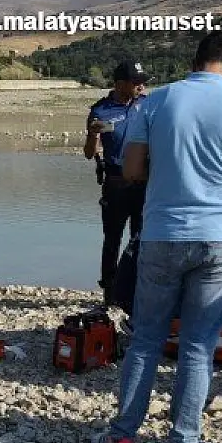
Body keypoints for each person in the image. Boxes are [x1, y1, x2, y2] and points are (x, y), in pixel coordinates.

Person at [91, 32, 222, 443]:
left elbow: (131, 170)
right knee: (196, 346)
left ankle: (121, 439)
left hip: (162, 233)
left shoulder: (156, 102)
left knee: (146, 338)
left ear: (196, 61)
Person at [84, 60, 149, 306]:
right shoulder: (100, 111)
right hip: (115, 184)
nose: (141, 86)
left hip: (144, 185)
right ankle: (109, 292)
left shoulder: (148, 105)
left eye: (143, 82)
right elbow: (90, 153)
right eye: (136, 82)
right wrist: (93, 134)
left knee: (142, 239)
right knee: (112, 240)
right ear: (120, 84)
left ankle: (137, 291)